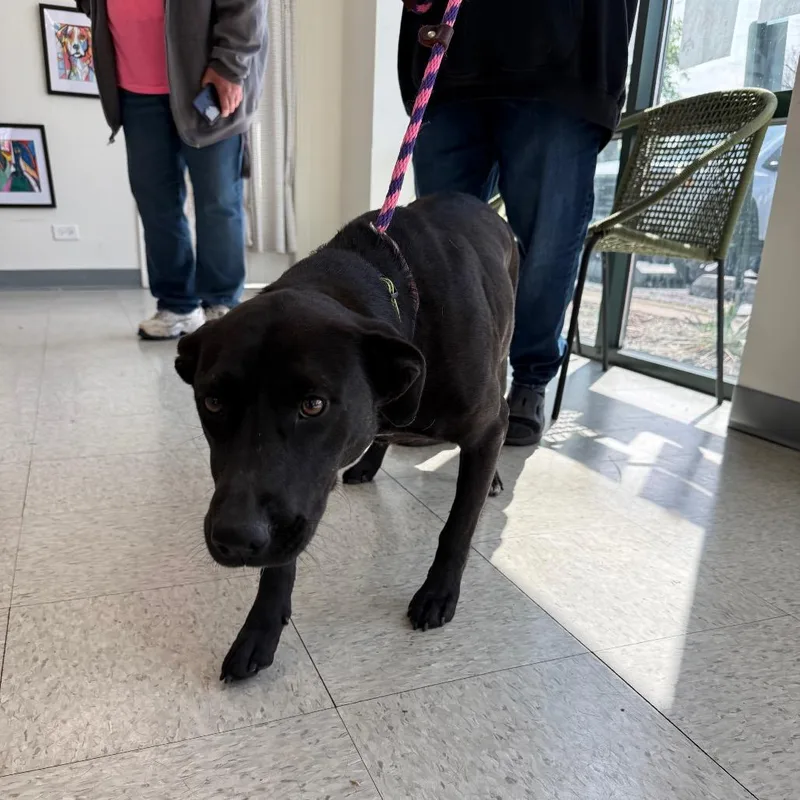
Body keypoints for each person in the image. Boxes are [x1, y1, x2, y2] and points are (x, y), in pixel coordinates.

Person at [398, 0, 638, 445]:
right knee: (439, 253)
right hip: (449, 59)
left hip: (565, 59)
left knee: (548, 239)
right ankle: (446, 381)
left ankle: (529, 378)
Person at [76, 0, 268, 339]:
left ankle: (222, 307)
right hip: (134, 90)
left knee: (219, 201)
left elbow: (246, 5)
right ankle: (177, 306)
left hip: (208, 84)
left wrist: (229, 65)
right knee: (156, 204)